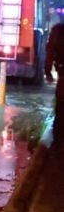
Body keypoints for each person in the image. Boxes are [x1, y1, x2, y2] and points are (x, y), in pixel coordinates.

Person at [44, 21, 64, 150]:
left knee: (61, 109)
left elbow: (50, 52)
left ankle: (57, 145)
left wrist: (48, 72)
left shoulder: (58, 30)